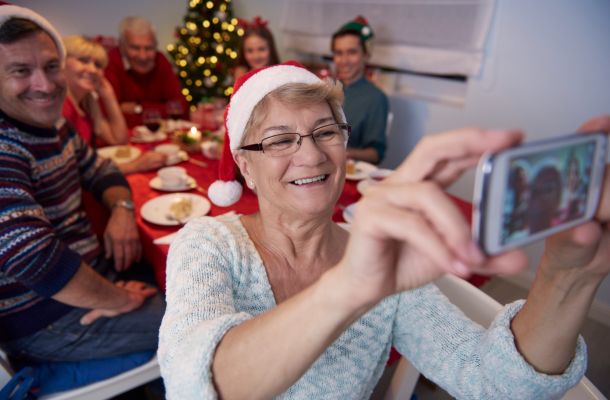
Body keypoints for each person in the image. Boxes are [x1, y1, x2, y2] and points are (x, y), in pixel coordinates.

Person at [159, 61, 609, 399]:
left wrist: (568, 274)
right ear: (245, 167)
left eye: (325, 132)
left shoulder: (381, 259)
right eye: (279, 140)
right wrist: (350, 286)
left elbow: (496, 383)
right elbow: (190, 386)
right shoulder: (208, 244)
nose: (312, 156)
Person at [0, 4, 164, 372]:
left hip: (89, 277)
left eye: (51, 66)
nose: (45, 84)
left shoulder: (54, 126)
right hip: (48, 318)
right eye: (21, 71)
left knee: (194, 272)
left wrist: (122, 211)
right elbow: (31, 256)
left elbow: (101, 169)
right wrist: (119, 299)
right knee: (203, 318)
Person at [63, 35, 167, 174]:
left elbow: (118, 139)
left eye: (98, 65)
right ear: (61, 63)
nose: (93, 70)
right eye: (83, 60)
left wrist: (109, 96)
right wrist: (135, 166)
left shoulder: (86, 104)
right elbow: (74, 173)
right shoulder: (63, 108)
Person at [104, 16, 188, 127]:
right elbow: (109, 115)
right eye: (135, 48)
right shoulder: (111, 62)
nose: (143, 56)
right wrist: (161, 111)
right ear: (122, 46)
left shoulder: (160, 60)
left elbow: (181, 108)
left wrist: (138, 108)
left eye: (149, 48)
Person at [331, 16, 388, 164]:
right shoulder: (326, 89)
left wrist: (342, 151)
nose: (344, 60)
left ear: (366, 55)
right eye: (338, 53)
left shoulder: (376, 98)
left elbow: (376, 154)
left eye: (352, 52)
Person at [233, 16, 280, 81]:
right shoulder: (241, 74)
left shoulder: (280, 74)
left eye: (261, 49)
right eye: (249, 50)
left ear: (271, 49)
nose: (256, 56)